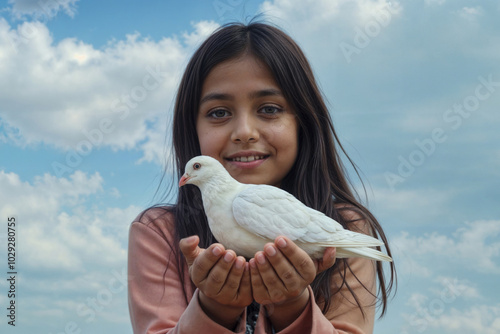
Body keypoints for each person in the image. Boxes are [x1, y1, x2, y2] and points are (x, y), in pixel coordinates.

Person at [128, 21, 396, 334]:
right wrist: (215, 306)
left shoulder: (346, 221)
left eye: (269, 109)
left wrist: (292, 305)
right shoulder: (158, 233)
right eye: (219, 112)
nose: (244, 133)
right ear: (192, 126)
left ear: (303, 124)